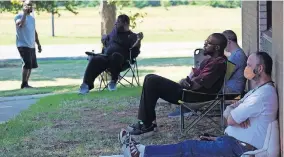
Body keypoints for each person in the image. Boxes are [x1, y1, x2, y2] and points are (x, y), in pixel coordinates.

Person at [118, 51, 278, 157]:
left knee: (188, 148)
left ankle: (140, 152)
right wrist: (232, 110)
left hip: (237, 148)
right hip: (230, 142)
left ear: (260, 68)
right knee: (190, 147)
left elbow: (229, 119)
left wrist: (233, 113)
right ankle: (140, 148)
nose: (246, 68)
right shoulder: (255, 92)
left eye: (249, 65)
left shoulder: (263, 95)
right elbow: (228, 112)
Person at [126, 33, 228, 136]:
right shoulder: (210, 61)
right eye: (205, 41)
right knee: (150, 79)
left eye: (208, 43)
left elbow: (196, 86)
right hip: (190, 92)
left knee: (152, 80)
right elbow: (192, 77)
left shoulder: (217, 64)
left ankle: (147, 125)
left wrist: (185, 83)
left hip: (195, 96)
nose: (204, 44)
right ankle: (148, 124)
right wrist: (186, 81)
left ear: (217, 47)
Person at [79, 14, 143, 94]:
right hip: (106, 58)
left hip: (122, 61)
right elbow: (105, 39)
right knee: (95, 58)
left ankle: (113, 81)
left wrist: (138, 40)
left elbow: (134, 50)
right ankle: (86, 85)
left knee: (116, 56)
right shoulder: (113, 33)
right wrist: (104, 38)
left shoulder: (132, 36)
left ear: (126, 23)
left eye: (118, 22)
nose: (116, 23)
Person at [15, 0, 42, 89]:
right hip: (22, 44)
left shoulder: (32, 19)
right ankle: (23, 84)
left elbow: (34, 32)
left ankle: (26, 83)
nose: (30, 7)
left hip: (31, 45)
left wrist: (38, 44)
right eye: (28, 5)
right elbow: (20, 25)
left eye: (31, 6)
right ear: (24, 6)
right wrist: (24, 14)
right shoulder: (18, 16)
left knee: (30, 65)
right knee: (27, 63)